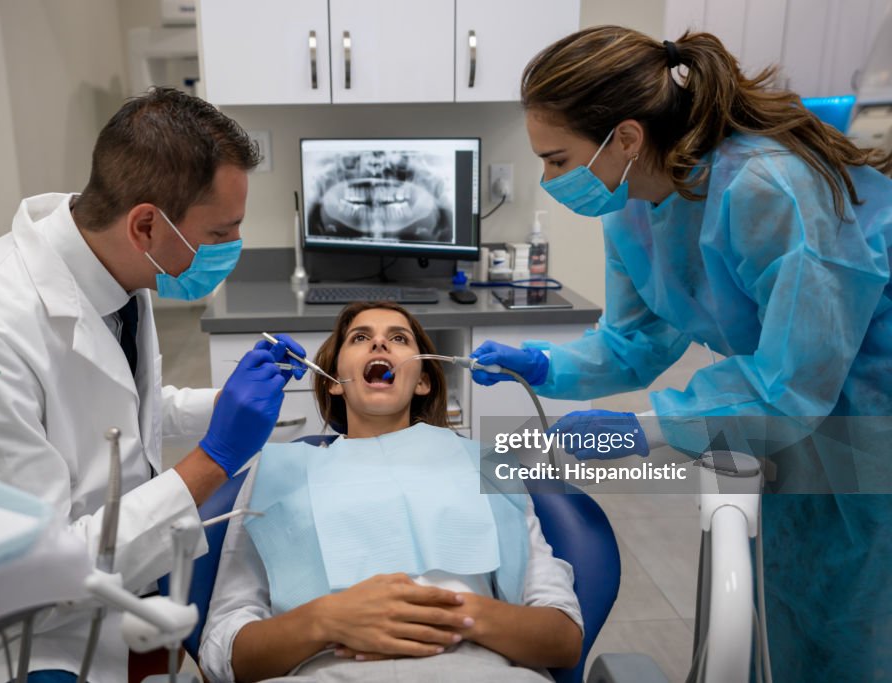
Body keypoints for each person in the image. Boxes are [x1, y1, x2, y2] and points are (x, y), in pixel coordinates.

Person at [468, 26, 892, 680]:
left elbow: (793, 385)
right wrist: (546, 367)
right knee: (778, 604)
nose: (548, 178)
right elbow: (638, 338)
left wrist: (647, 430)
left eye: (556, 159)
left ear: (627, 139)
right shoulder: (632, 206)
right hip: (793, 410)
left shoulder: (765, 188)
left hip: (869, 405)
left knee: (854, 618)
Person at [0, 87, 306, 683]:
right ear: (147, 225)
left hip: (113, 602)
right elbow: (34, 573)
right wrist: (216, 458)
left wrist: (222, 406)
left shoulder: (117, 269)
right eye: (220, 234)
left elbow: (119, 406)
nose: (232, 249)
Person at [200, 302, 584, 683]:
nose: (379, 345)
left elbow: (563, 636)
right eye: (360, 337)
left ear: (422, 380)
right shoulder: (278, 473)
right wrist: (325, 620)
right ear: (334, 380)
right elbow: (222, 654)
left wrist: (452, 613)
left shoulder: (486, 465)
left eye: (398, 338)